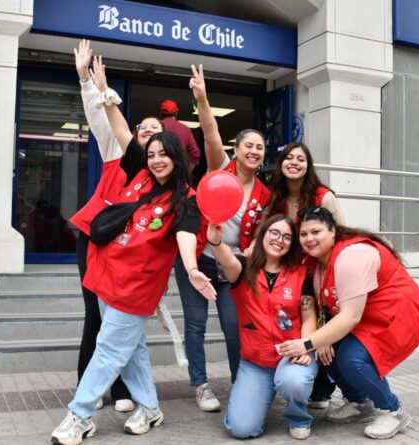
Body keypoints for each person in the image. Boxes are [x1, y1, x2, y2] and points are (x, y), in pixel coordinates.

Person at [51, 51, 216, 445]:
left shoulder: (186, 199)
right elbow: (120, 128)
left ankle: (80, 415)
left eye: (164, 154)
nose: (156, 159)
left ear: (177, 157)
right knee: (134, 350)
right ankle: (151, 408)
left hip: (136, 288)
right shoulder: (140, 171)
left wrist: (192, 268)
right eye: (153, 153)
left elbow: (185, 237)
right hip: (106, 275)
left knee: (109, 350)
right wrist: (103, 90)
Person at [277, 207, 419, 440]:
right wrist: (321, 340)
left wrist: (307, 343)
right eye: (303, 234)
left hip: (393, 315)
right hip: (362, 318)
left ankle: (393, 410)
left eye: (316, 231)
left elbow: (350, 316)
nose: (309, 239)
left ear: (333, 231)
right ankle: (360, 403)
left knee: (351, 359)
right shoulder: (314, 262)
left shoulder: (352, 256)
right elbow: (325, 306)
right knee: (327, 352)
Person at [68, 40, 166, 414]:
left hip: (131, 251)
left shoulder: (162, 177)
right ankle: (87, 388)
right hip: (95, 237)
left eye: (155, 129)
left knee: (121, 320)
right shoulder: (116, 148)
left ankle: (124, 389)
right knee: (95, 315)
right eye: (142, 127)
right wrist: (86, 80)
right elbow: (100, 118)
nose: (147, 131)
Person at [172, 63, 270, 412]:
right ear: (238, 149)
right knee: (196, 325)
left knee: (234, 326)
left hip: (232, 268)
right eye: (248, 146)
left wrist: (251, 252)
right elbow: (211, 135)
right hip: (197, 260)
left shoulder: (264, 192)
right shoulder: (219, 169)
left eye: (259, 148)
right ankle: (200, 385)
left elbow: (262, 232)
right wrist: (202, 100)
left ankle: (239, 382)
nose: (254, 152)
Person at [207, 214, 318, 440]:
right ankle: (263, 393)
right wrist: (216, 242)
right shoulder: (244, 269)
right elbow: (228, 260)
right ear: (263, 235)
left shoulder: (300, 273)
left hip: (292, 354)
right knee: (241, 429)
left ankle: (298, 417)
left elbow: (308, 317)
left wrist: (305, 346)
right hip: (256, 362)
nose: (279, 239)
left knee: (293, 381)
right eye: (274, 233)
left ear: (292, 243)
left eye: (287, 237)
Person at [265, 141, 346, 408]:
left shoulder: (324, 196)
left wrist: (331, 271)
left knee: (327, 332)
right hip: (292, 274)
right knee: (306, 326)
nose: (294, 163)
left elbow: (340, 235)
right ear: (281, 164)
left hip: (320, 271)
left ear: (308, 165)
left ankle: (329, 389)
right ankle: (312, 386)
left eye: (301, 159)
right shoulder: (275, 196)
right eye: (289, 158)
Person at [160, 99, 200, 171]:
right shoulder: (185, 129)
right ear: (176, 113)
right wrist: (187, 172)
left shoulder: (155, 127)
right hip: (179, 173)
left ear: (162, 113)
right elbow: (195, 154)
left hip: (158, 171)